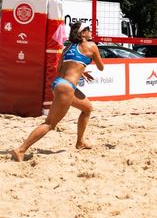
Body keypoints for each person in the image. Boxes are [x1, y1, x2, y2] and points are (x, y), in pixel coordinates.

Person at [11, 21, 104, 162]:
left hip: (58, 83)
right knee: (49, 124)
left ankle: (80, 142)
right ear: (83, 33)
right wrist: (83, 68)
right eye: (88, 29)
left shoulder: (67, 48)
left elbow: (59, 69)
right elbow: (101, 67)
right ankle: (21, 149)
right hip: (66, 88)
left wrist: (79, 71)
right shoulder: (91, 46)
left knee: (87, 108)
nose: (90, 32)